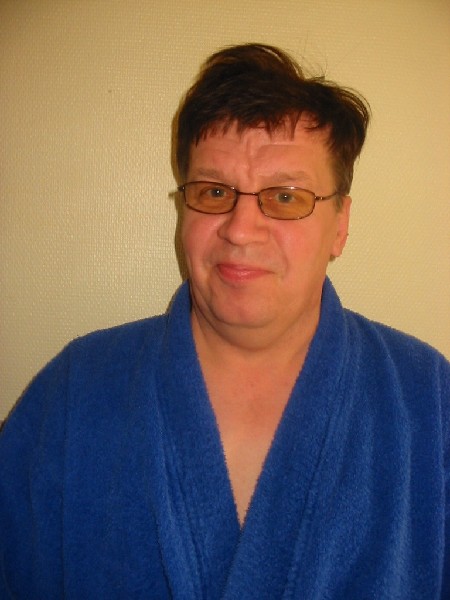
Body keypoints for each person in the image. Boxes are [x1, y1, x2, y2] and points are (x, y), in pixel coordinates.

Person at [0, 43, 448, 599]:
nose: (239, 229)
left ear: (340, 225)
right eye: (214, 192)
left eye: (285, 197)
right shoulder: (74, 391)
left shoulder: (428, 401)